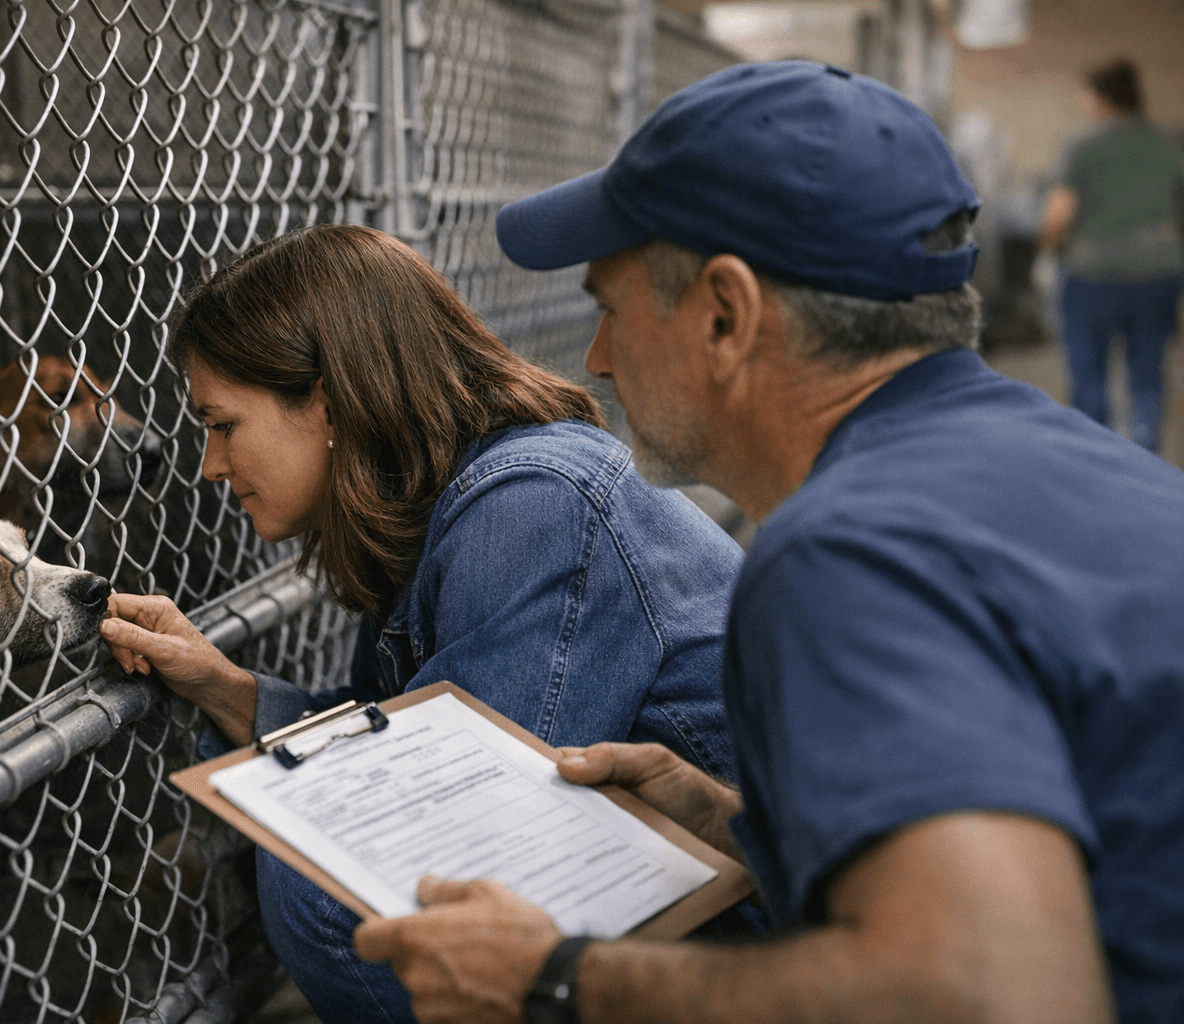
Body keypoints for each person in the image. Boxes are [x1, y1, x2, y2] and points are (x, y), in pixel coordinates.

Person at [353, 60, 1184, 1024]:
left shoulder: (846, 554)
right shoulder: (1061, 453)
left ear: (725, 313)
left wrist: (557, 975)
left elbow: (993, 993)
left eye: (609, 309)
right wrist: (744, 828)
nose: (596, 360)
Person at [97, 224, 753, 1024]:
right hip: (705, 922)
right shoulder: (446, 502)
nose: (210, 466)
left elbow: (456, 827)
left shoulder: (529, 505)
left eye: (222, 424)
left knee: (331, 896)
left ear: (329, 404)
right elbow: (406, 743)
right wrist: (225, 688)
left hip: (769, 942)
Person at [1037, 57, 1184, 452]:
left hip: (1093, 276)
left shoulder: (1083, 145)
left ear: (1100, 97)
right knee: (1148, 372)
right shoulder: (1169, 142)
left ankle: (1095, 458)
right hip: (1158, 274)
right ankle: (1145, 453)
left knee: (1089, 376)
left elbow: (1058, 214)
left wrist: (1049, 249)